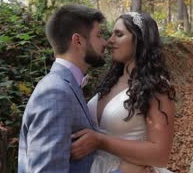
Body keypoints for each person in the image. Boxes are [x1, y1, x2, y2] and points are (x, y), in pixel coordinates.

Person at [71, 12, 176, 173]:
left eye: (119, 34)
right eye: (111, 34)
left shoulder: (156, 87)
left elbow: (160, 155)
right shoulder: (110, 81)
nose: (109, 41)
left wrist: (101, 142)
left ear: (139, 40)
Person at [18, 4, 107, 173]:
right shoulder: (56, 92)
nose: (105, 42)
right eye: (99, 35)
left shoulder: (65, 86)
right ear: (78, 40)